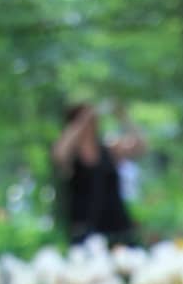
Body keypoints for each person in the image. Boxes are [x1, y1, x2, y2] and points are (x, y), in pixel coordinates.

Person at [52, 102, 145, 245]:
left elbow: (140, 146)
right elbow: (59, 155)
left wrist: (123, 117)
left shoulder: (109, 150)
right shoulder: (71, 156)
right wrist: (81, 121)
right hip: (83, 229)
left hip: (117, 227)